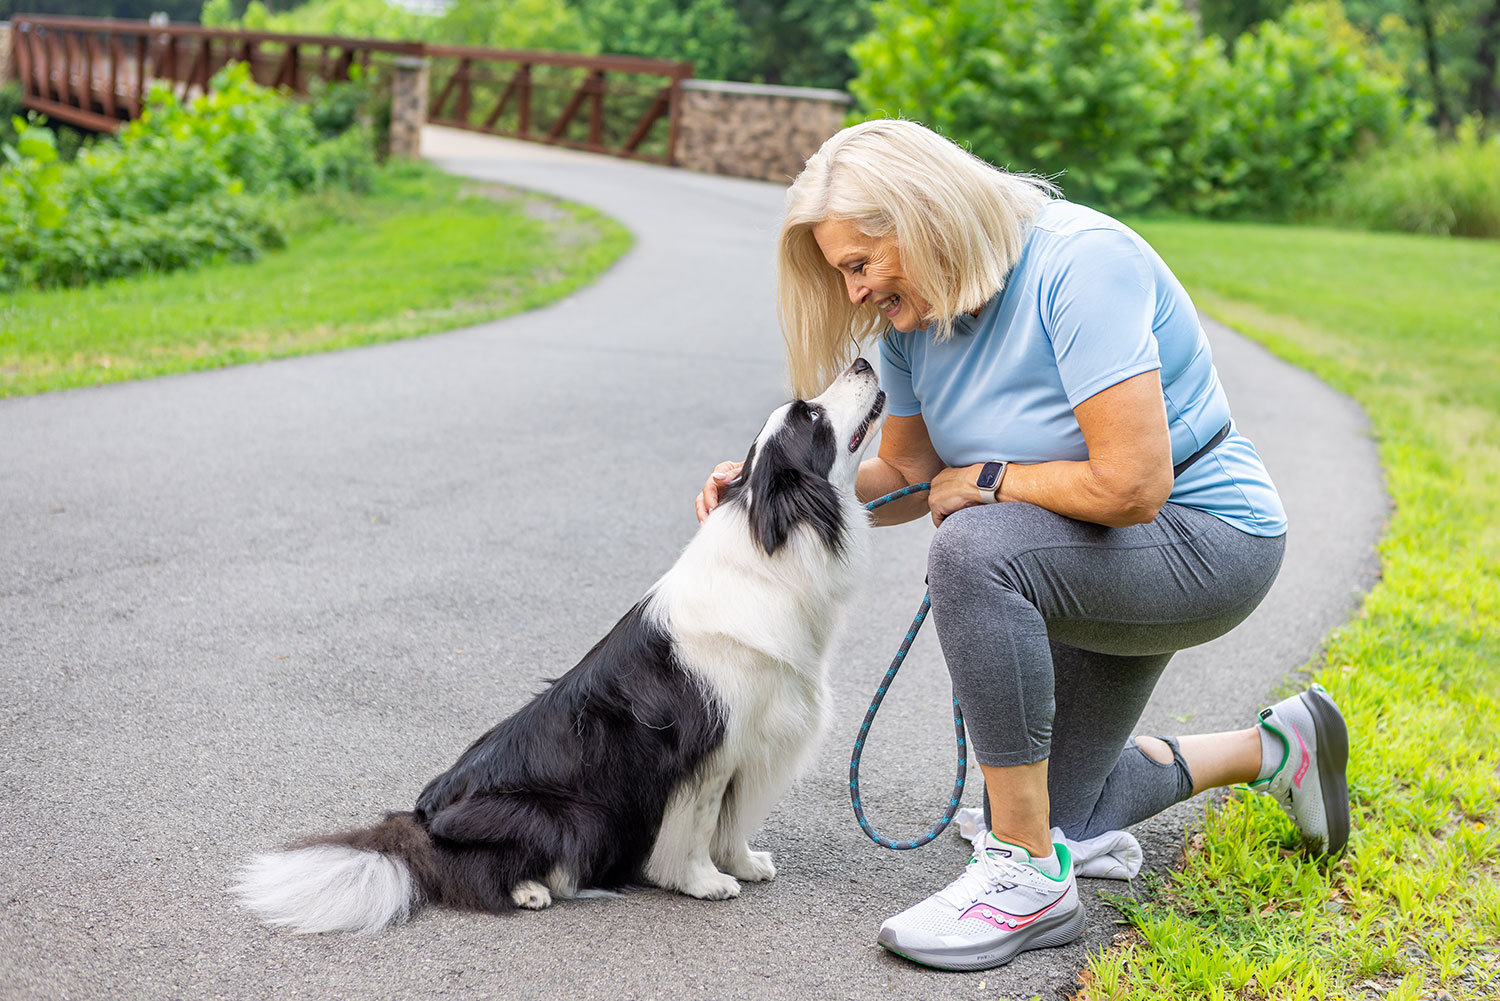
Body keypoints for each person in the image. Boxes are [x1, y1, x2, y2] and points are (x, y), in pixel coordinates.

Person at [695, 118, 1350, 972]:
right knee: (1061, 805)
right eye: (842, 274)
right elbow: (904, 475)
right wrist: (768, 487)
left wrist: (995, 480)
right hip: (1085, 550)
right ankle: (1280, 746)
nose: (853, 294)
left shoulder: (1083, 265)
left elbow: (1134, 485)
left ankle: (1027, 875)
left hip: (1204, 541)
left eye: (860, 265)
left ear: (922, 218)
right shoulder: (912, 320)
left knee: (973, 547)